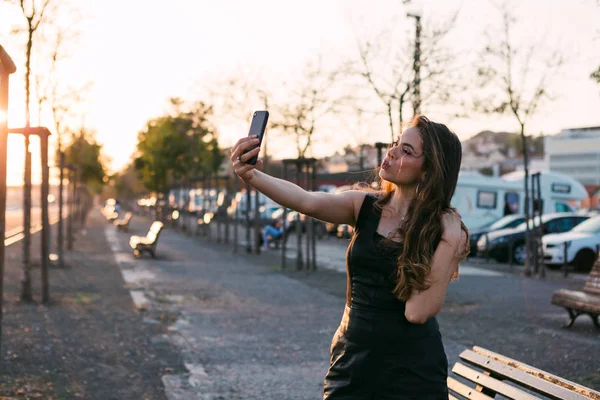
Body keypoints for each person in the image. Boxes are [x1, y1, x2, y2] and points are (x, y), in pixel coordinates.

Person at [230, 115, 469, 399]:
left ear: (429, 171)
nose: (391, 152)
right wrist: (251, 175)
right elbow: (306, 200)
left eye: (406, 151)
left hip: (412, 375)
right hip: (353, 361)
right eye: (396, 143)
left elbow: (416, 312)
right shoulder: (363, 206)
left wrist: (452, 241)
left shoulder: (444, 233)